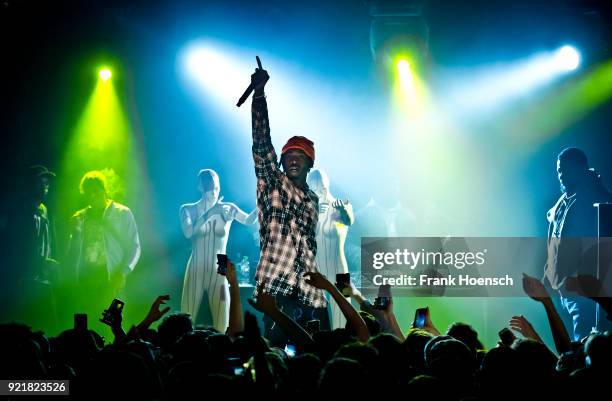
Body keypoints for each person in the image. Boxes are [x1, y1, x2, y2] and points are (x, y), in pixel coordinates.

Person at [247, 57, 328, 344]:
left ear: (309, 164)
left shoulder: (313, 199)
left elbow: (309, 243)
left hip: (308, 288)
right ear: (281, 162)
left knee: (316, 352)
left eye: (300, 157)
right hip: (276, 284)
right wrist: (259, 95)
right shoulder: (272, 181)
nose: (293, 160)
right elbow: (261, 142)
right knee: (275, 353)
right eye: (288, 156)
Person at [543, 147, 612, 341]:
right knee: (573, 344)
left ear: (582, 168)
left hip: (584, 291)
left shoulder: (594, 197)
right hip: (563, 289)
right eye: (559, 170)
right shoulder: (565, 199)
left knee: (584, 343)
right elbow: (556, 236)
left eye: (567, 169)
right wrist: (548, 271)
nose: (562, 175)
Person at [179, 168, 256, 332]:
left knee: (223, 319)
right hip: (196, 266)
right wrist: (212, 212)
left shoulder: (228, 208)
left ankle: (223, 351)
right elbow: (188, 232)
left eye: (216, 188)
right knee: (186, 318)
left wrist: (262, 204)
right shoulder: (188, 209)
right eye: (209, 188)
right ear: (200, 187)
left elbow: (249, 220)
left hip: (220, 267)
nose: (213, 192)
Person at [66, 171, 141, 315]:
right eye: (89, 192)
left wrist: (123, 272)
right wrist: (73, 233)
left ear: (104, 189)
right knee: (86, 324)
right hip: (86, 281)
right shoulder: (80, 217)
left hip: (112, 278)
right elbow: (72, 253)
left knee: (112, 324)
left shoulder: (122, 213)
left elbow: (135, 246)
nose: (93, 195)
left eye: (96, 190)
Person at [0, 165, 58, 329]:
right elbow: (15, 247)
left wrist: (47, 262)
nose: (46, 184)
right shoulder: (19, 209)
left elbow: (44, 244)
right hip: (21, 280)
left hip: (40, 279)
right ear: (31, 183)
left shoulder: (43, 210)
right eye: (42, 179)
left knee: (42, 327)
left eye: (48, 180)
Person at [306, 169, 354, 329]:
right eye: (313, 188)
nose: (318, 192)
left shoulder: (341, 206)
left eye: (320, 187)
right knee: (314, 319)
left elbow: (349, 220)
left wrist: (342, 211)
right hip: (316, 272)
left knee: (343, 317)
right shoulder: (309, 210)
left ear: (326, 186)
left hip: (339, 270)